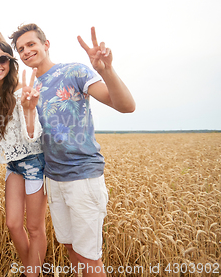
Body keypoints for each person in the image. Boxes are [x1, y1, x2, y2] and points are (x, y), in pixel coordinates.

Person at [11, 24, 135, 277]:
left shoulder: (74, 71)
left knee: (89, 258)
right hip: (53, 177)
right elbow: (33, 134)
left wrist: (107, 70)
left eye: (31, 44)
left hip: (83, 176)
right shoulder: (30, 87)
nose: (26, 51)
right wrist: (27, 108)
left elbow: (125, 106)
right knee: (70, 248)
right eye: (21, 49)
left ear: (46, 44)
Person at [0, 41, 47, 277]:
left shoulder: (22, 92)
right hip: (13, 165)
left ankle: (31, 273)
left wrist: (29, 110)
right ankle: (33, 270)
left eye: (3, 59)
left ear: (11, 62)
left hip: (34, 164)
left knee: (35, 227)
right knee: (12, 224)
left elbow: (32, 135)